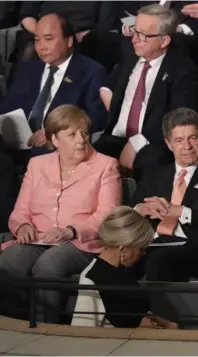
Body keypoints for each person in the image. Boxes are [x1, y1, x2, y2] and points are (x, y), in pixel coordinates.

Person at [0, 104, 122, 324]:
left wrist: (70, 231)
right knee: (11, 259)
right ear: (54, 139)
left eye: (84, 133)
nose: (81, 140)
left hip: (82, 241)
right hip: (39, 237)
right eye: (72, 134)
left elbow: (108, 215)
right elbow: (20, 211)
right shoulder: (37, 164)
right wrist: (23, 226)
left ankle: (46, 329)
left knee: (51, 263)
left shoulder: (105, 165)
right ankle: (13, 328)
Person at [132, 108, 198, 283]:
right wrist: (140, 209)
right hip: (151, 244)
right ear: (169, 144)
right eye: (179, 140)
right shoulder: (154, 176)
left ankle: (158, 311)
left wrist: (182, 212)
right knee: (115, 259)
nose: (187, 147)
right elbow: (130, 211)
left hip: (195, 251)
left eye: (193, 138)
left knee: (159, 261)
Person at [93, 4, 198, 178]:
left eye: (142, 35)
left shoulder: (182, 70)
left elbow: (178, 118)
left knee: (150, 161)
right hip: (114, 138)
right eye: (135, 32)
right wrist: (112, 104)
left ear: (164, 41)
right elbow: (107, 85)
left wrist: (136, 143)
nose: (134, 39)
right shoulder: (130, 55)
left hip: (151, 141)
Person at [0, 13, 107, 158]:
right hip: (17, 143)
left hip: (55, 146)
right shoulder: (28, 68)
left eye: (48, 39)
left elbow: (94, 116)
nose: (41, 47)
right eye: (37, 40)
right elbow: (8, 106)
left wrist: (54, 131)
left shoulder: (91, 72)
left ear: (69, 40)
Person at [72, 206, 178, 329]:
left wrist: (161, 322)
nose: (143, 254)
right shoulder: (92, 279)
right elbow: (83, 331)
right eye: (141, 249)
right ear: (123, 249)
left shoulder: (125, 270)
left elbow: (134, 312)